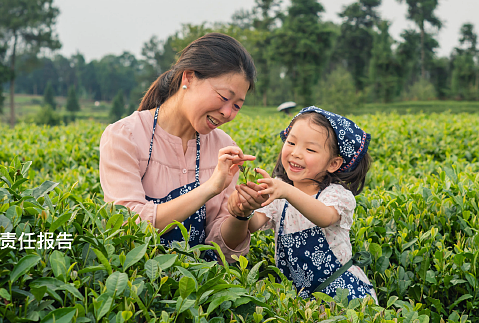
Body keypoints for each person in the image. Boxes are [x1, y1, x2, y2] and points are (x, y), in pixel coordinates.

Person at [99, 33, 256, 263]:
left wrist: (240, 215)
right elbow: (128, 224)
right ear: (189, 78)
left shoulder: (225, 147)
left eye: (237, 106)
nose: (227, 112)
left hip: (198, 290)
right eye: (223, 97)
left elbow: (225, 254)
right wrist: (209, 188)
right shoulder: (126, 137)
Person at [222, 106, 377, 302]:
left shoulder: (335, 195)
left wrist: (286, 191)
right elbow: (253, 225)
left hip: (342, 293)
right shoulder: (280, 197)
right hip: (301, 299)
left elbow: (325, 217)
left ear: (333, 164)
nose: (296, 153)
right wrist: (245, 209)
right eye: (291, 142)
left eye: (310, 149)